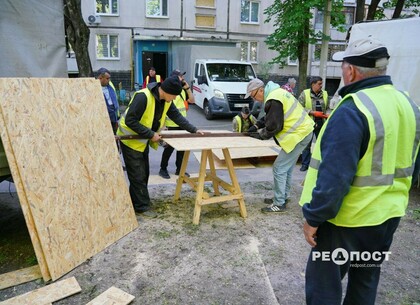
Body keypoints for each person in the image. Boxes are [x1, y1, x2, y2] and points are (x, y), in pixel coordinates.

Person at [299, 37, 420, 305]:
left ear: (350, 70)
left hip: (347, 222)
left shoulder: (353, 108)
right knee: (365, 280)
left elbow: (334, 179)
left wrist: (313, 218)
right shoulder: (409, 105)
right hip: (387, 218)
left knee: (323, 287)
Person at [117, 76, 204, 218]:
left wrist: (194, 129)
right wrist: (151, 134)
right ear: (168, 91)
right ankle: (142, 207)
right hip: (130, 140)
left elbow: (177, 117)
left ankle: (135, 201)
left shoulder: (166, 100)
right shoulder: (143, 97)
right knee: (137, 175)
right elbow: (130, 120)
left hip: (141, 141)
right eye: (174, 95)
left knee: (143, 173)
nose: (175, 98)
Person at [245, 79, 314, 213]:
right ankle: (283, 196)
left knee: (279, 168)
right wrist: (256, 125)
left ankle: (279, 203)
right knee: (285, 168)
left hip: (299, 135)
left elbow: (274, 126)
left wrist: (260, 135)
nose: (255, 100)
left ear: (260, 90)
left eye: (254, 96)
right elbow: (270, 117)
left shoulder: (273, 98)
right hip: (303, 132)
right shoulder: (277, 93)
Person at [159, 69, 195, 179]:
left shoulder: (182, 91)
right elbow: (164, 110)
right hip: (171, 125)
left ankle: (180, 170)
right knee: (168, 149)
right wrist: (163, 126)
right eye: (181, 77)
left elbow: (192, 101)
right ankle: (163, 169)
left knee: (182, 149)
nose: (183, 79)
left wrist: (188, 88)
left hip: (182, 125)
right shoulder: (169, 90)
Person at [297, 76, 329, 172]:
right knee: (306, 145)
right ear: (313, 84)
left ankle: (322, 164)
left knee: (322, 144)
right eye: (319, 84)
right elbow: (298, 107)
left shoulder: (325, 94)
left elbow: (327, 107)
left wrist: (327, 114)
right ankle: (305, 164)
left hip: (321, 123)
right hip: (309, 124)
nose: (321, 86)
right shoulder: (305, 94)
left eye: (321, 84)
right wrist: (312, 112)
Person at [97, 67, 120, 134]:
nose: (109, 80)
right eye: (107, 78)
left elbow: (114, 100)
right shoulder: (95, 88)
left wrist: (117, 118)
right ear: (100, 78)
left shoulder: (110, 85)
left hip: (113, 116)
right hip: (103, 117)